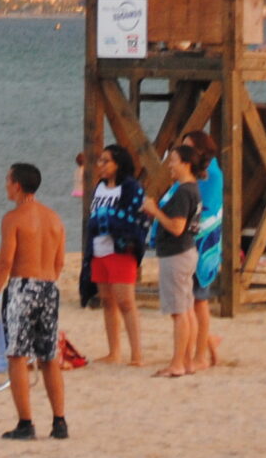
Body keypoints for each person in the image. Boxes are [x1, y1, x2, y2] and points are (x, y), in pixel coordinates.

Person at [0, 161, 68, 438]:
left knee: (17, 356)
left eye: (8, 181)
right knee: (48, 356)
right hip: (48, 287)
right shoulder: (55, 219)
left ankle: (26, 423)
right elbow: (59, 262)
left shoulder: (13, 219)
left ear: (18, 185)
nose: (6, 185)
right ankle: (59, 422)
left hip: (22, 287)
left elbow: (5, 262)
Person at [140, 143, 200, 377]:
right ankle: (185, 361)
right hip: (183, 252)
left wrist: (154, 211)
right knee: (185, 308)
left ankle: (177, 363)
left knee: (179, 311)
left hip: (177, 253)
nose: (170, 165)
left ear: (185, 163)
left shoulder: (185, 191)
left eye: (173, 160)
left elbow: (177, 227)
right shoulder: (189, 189)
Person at [85, 143, 147, 366]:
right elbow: (94, 216)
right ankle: (114, 352)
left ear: (118, 164)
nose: (100, 165)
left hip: (121, 250)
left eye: (105, 161)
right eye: (99, 161)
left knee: (126, 302)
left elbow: (136, 219)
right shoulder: (100, 187)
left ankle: (137, 354)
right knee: (107, 300)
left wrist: (109, 219)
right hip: (99, 249)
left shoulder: (130, 187)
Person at [184, 129, 224, 370]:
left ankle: (200, 355)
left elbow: (206, 209)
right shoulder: (192, 173)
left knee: (199, 300)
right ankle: (204, 341)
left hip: (204, 242)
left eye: (188, 148)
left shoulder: (212, 174)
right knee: (188, 300)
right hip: (188, 238)